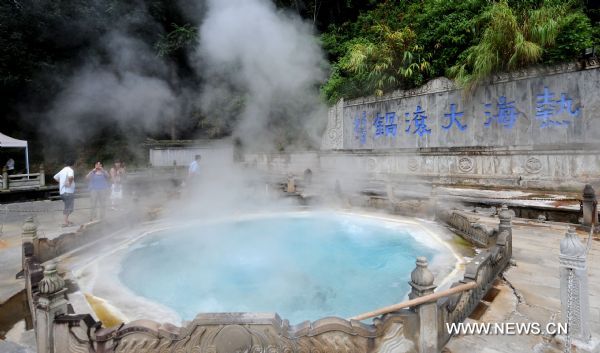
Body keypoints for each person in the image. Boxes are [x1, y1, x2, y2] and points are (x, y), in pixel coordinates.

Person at [53, 159, 75, 227]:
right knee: (69, 207)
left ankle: (66, 220)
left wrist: (61, 182)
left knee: (68, 206)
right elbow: (71, 177)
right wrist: (69, 183)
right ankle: (65, 222)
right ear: (73, 164)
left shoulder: (62, 170)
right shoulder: (70, 170)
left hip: (63, 192)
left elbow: (55, 177)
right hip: (68, 192)